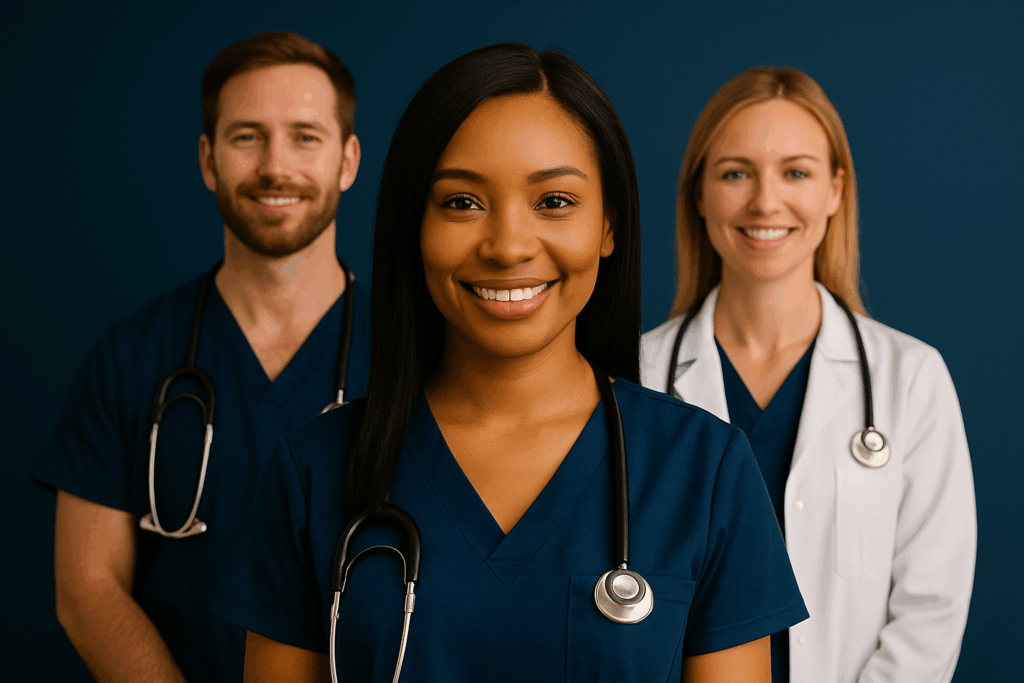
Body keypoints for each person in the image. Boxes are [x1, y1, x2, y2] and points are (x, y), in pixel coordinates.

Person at [212, 44, 808, 683]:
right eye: (462, 203)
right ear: (413, 226)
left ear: (609, 225)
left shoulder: (704, 471)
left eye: (554, 201)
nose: (508, 247)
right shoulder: (313, 471)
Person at [32, 31, 371, 683]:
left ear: (347, 161)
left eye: (305, 136)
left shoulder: (417, 355)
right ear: (208, 160)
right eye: (247, 136)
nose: (276, 166)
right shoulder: (131, 354)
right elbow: (87, 591)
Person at [641, 67, 976, 682]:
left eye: (795, 172)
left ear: (834, 191)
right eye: (736, 173)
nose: (765, 201)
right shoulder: (635, 378)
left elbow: (931, 610)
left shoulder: (912, 378)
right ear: (699, 194)